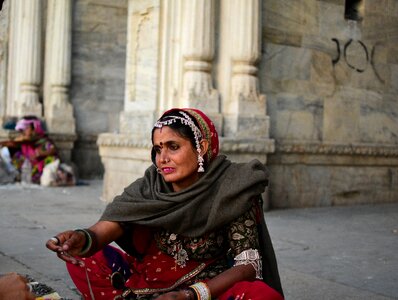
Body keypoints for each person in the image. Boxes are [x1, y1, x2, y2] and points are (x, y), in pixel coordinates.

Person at [46, 108, 284, 300]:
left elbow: (249, 264)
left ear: (201, 147)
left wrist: (191, 295)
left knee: (260, 295)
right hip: (146, 284)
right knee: (89, 258)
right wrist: (81, 238)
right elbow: (108, 228)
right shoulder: (150, 186)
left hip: (204, 290)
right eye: (158, 149)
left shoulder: (231, 187)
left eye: (173, 146)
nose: (163, 158)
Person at [0, 116, 58, 184]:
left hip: (38, 169)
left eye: (27, 128)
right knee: (5, 151)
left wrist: (39, 153)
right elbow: (12, 143)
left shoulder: (42, 140)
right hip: (28, 168)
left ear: (34, 129)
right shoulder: (25, 141)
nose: (24, 131)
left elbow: (52, 149)